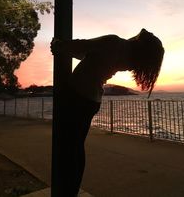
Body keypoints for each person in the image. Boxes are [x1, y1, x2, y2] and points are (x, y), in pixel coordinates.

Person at [50, 28, 164, 196]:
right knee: (75, 147)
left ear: (141, 42)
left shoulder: (115, 42)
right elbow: (88, 54)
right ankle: (71, 190)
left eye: (146, 34)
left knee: (70, 147)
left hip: (78, 96)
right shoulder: (127, 57)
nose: (143, 31)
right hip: (91, 99)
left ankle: (67, 190)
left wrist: (59, 45)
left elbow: (82, 47)